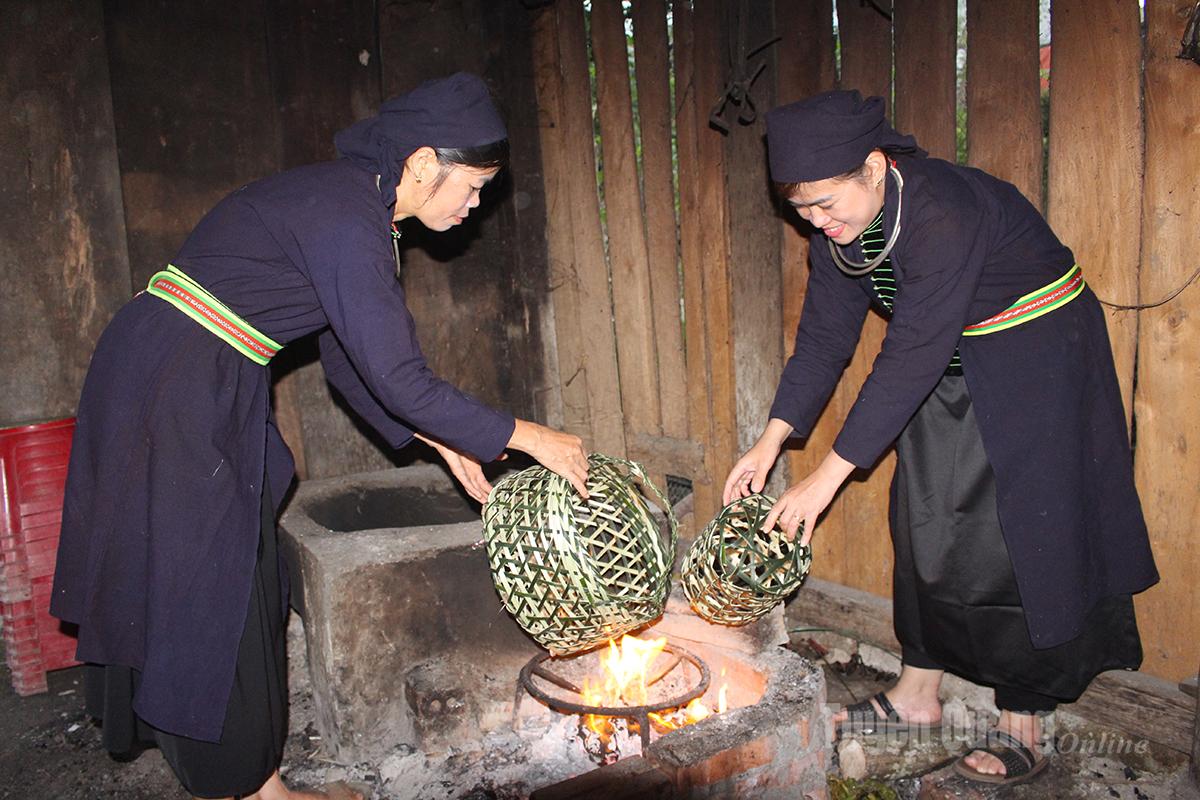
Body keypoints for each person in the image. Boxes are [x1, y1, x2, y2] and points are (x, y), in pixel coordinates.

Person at [50, 72, 589, 800]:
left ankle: (258, 780)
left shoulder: (357, 208)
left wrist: (442, 439)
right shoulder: (347, 214)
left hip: (192, 372)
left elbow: (349, 363)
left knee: (249, 567)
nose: (475, 206)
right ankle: (243, 786)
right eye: (472, 187)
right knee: (213, 583)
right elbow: (397, 375)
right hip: (176, 382)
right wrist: (532, 436)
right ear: (423, 162)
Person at [724, 90, 1158, 787]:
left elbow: (910, 354)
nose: (816, 222)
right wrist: (771, 440)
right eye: (801, 210)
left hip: (1038, 358)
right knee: (922, 516)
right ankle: (917, 693)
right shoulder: (838, 231)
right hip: (951, 358)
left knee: (1020, 536)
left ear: (874, 167)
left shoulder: (942, 211)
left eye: (826, 204)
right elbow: (825, 339)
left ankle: (1023, 720)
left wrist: (826, 478)